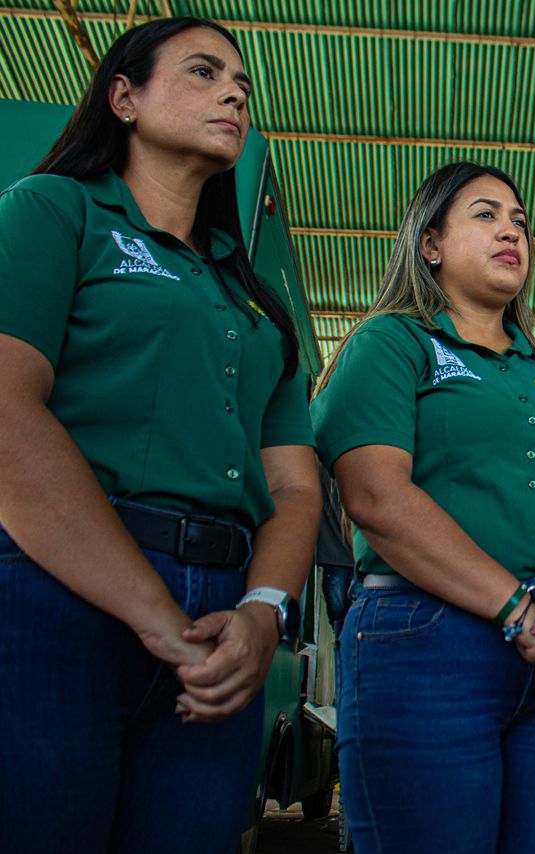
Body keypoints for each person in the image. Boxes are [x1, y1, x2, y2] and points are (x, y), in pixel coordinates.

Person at [0, 18, 321, 854]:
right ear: (124, 98)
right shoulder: (53, 210)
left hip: (222, 626)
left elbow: (294, 485)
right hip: (54, 596)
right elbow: (7, 411)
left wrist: (262, 612)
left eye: (242, 86)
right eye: (204, 72)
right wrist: (153, 611)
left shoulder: (259, 305)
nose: (234, 95)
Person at [311, 161, 535, 854]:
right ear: (430, 244)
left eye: (520, 222)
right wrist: (518, 611)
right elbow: (377, 497)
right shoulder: (391, 343)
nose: (511, 231)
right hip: (429, 637)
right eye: (486, 215)